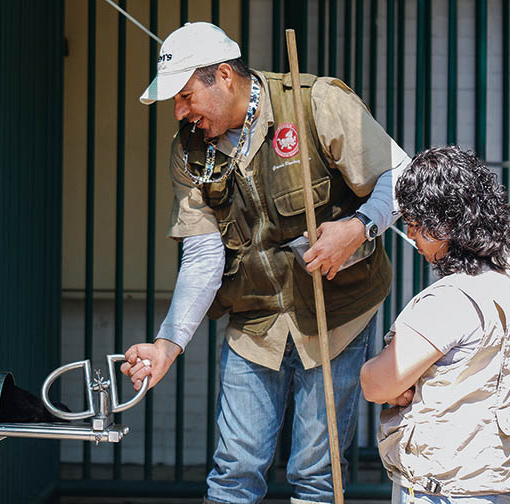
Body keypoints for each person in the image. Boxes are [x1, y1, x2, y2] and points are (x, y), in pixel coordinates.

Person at [120, 22, 410, 503]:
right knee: (234, 471)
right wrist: (167, 346)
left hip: (336, 314)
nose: (179, 111)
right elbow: (203, 254)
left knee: (316, 474)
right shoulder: (189, 152)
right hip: (255, 323)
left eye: (186, 96)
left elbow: (400, 174)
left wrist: (358, 227)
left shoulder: (315, 103)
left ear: (224, 76)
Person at [360, 146, 510, 504]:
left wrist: (390, 381)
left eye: (415, 224)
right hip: (506, 478)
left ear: (443, 225)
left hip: (449, 487)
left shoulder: (451, 300)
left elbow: (376, 384)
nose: (410, 236)